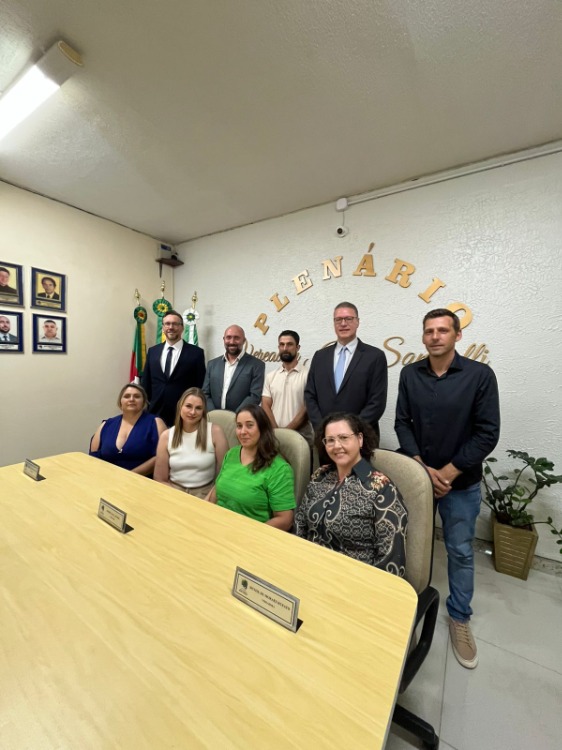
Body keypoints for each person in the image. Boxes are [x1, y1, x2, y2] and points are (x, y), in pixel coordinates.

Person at [395, 308, 500, 670]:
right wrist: (422, 468)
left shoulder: (480, 376)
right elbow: (402, 423)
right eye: (429, 331)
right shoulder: (410, 374)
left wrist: (448, 472)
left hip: (460, 484)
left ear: (457, 335)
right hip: (419, 479)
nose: (435, 336)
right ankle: (406, 605)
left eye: (443, 330)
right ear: (423, 336)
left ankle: (459, 617)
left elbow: (487, 432)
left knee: (459, 551)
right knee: (411, 546)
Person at [295, 413, 407, 575]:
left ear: (360, 439)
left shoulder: (381, 489)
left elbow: (391, 561)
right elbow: (300, 524)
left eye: (343, 438)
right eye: (330, 440)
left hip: (352, 579)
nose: (336, 445)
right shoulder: (320, 476)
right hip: (308, 568)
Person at [304, 302, 388, 439]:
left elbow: (376, 402)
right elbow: (310, 395)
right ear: (334, 323)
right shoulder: (320, 356)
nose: (343, 323)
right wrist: (322, 429)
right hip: (325, 438)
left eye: (349, 319)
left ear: (357, 322)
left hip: (361, 438)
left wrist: (350, 432)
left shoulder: (375, 357)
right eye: (338, 319)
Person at [206, 404, 295, 530]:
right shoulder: (232, 453)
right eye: (239, 426)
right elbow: (216, 492)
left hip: (249, 533)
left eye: (249, 425)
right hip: (216, 525)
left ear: (262, 428)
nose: (242, 432)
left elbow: (285, 520)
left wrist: (251, 533)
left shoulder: (280, 469)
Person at [154, 387, 228, 498]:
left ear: (203, 411)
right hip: (173, 491)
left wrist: (210, 498)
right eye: (188, 406)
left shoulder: (215, 432)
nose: (193, 412)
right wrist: (178, 498)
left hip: (205, 493)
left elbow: (224, 474)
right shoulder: (166, 436)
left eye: (198, 408)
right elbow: (160, 479)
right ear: (180, 406)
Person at [142, 310, 206, 426]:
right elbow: (146, 383)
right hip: (155, 414)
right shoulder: (153, 351)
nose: (171, 327)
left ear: (182, 327)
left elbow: (199, 385)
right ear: (163, 327)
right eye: (167, 324)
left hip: (183, 415)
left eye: (175, 324)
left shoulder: (196, 353)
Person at [90, 383, 166, 474]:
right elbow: (93, 456)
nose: (131, 399)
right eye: (127, 396)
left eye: (137, 396)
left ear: (143, 402)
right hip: (106, 477)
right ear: (120, 402)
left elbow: (161, 457)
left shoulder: (156, 423)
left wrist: (129, 476)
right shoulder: (106, 425)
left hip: (141, 479)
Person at [261, 329, 313, 446]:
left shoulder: (308, 375)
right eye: (282, 344)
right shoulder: (271, 376)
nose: (285, 348)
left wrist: (286, 433)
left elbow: (307, 408)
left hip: (301, 438)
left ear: (297, 347)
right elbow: (265, 404)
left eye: (289, 344)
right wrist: (277, 431)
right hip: (274, 437)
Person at [202, 324, 265, 412]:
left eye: (236, 338)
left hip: (241, 418)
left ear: (244, 341)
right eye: (228, 337)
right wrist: (214, 414)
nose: (232, 342)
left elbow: (254, 396)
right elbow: (205, 393)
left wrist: (236, 416)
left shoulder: (257, 365)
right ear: (224, 339)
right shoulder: (212, 364)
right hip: (213, 417)